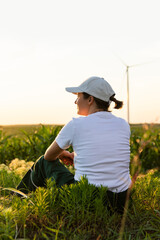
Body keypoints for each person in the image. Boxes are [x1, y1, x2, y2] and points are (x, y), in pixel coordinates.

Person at [17, 76, 131, 213]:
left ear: (90, 99)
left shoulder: (76, 124)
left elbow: (49, 156)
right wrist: (75, 157)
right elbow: (106, 157)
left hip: (89, 199)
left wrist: (61, 154)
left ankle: (18, 198)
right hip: (122, 201)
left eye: (78, 96)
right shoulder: (123, 124)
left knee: (42, 163)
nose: (75, 101)